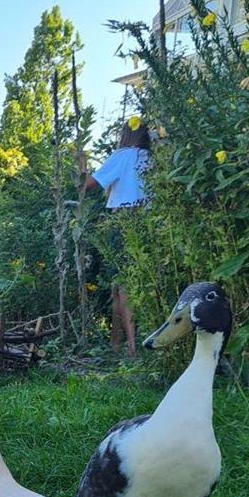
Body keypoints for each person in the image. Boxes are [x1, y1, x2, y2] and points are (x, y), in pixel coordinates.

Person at [84, 118, 151, 355]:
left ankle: (132, 349)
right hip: (149, 221)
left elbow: (89, 184)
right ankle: (117, 344)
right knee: (133, 283)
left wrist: (82, 167)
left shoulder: (123, 156)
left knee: (124, 284)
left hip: (124, 219)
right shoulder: (150, 159)